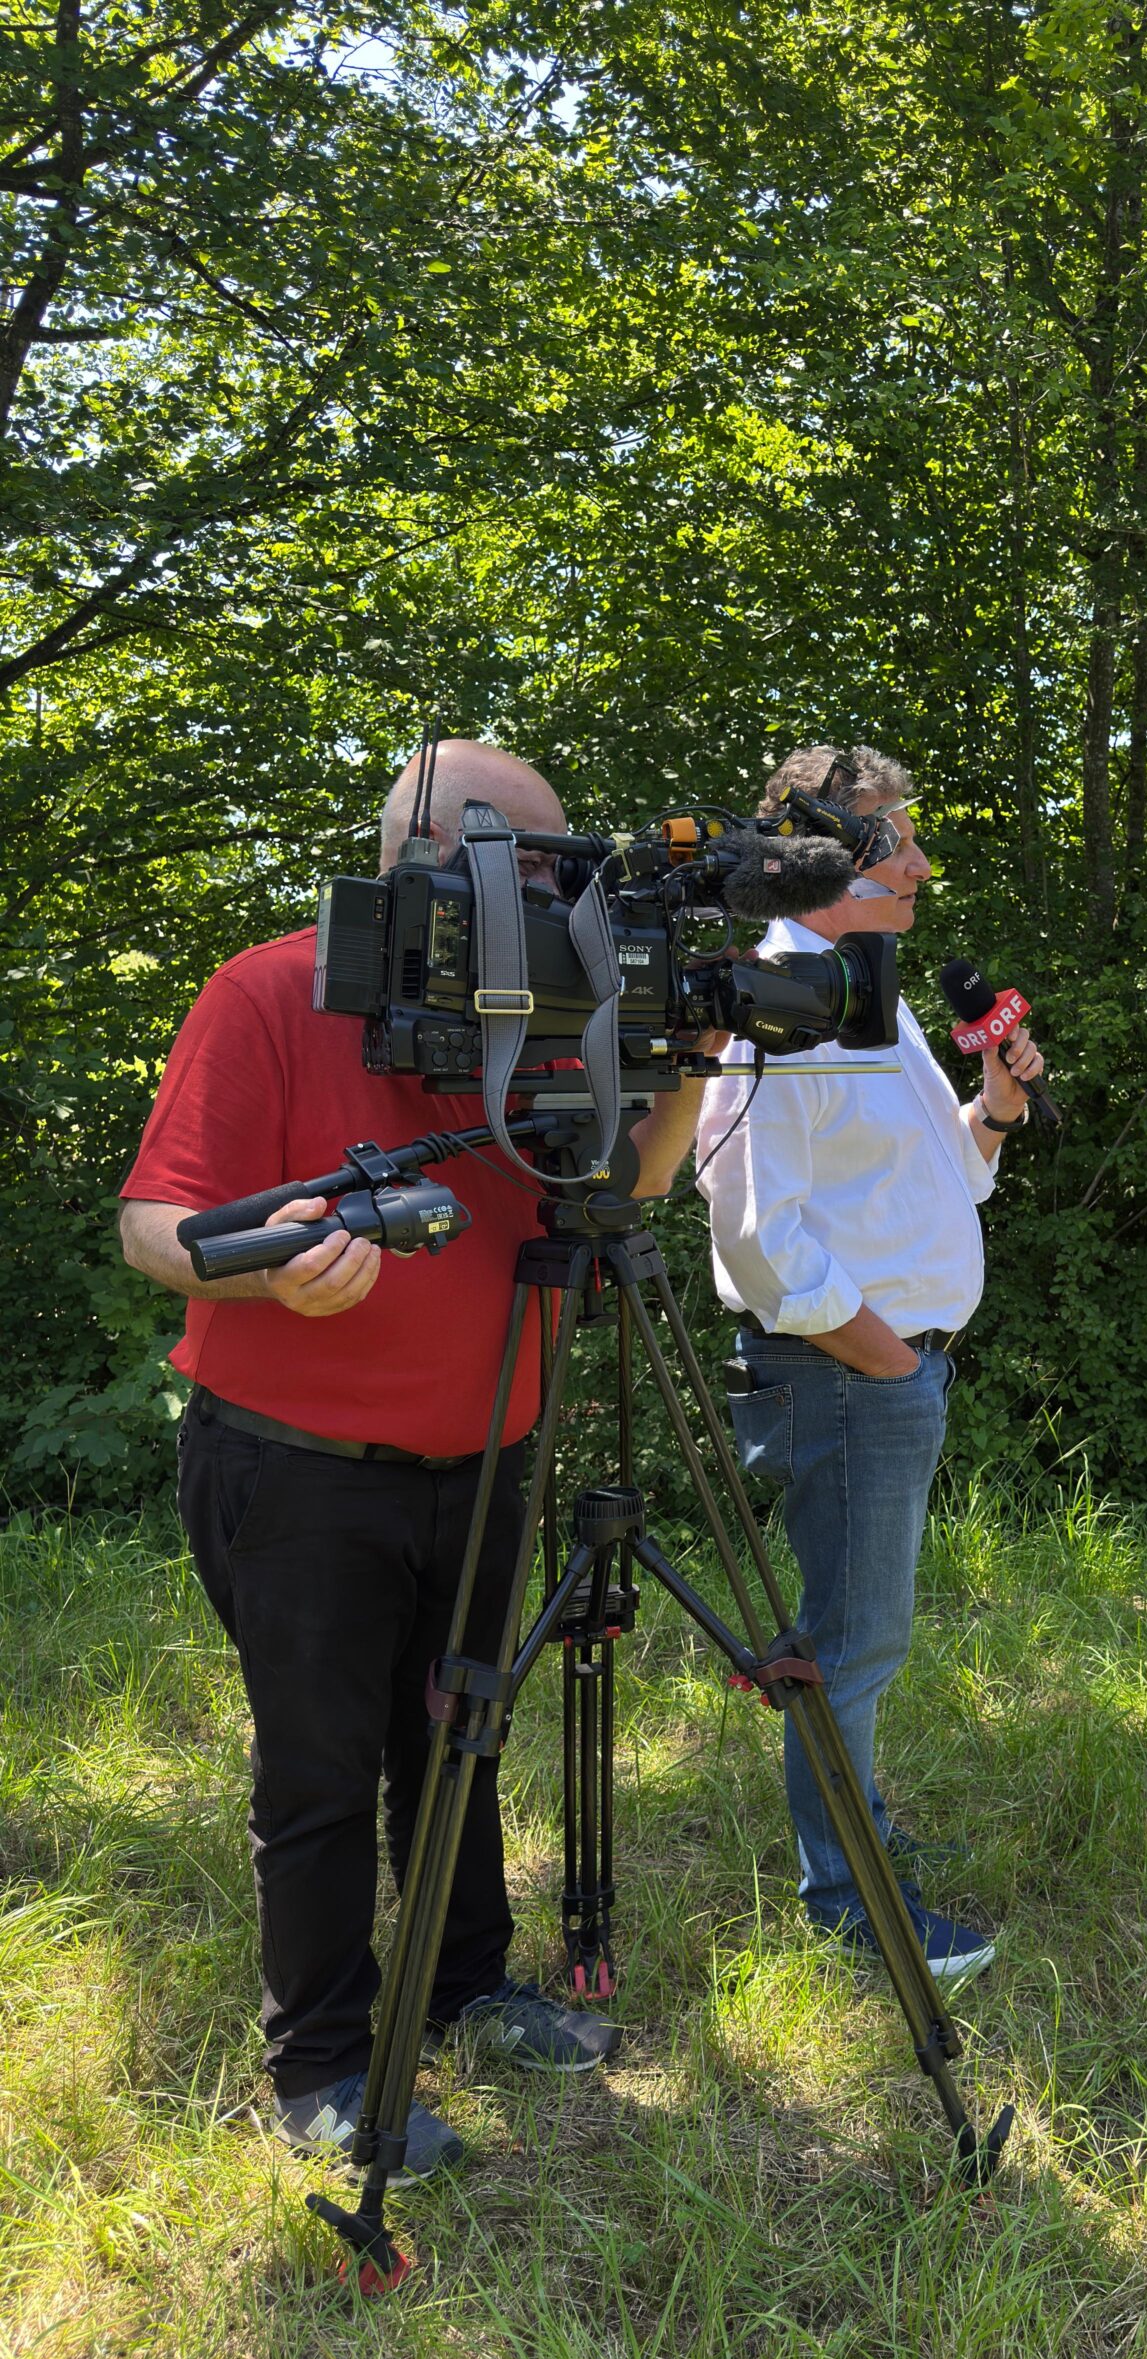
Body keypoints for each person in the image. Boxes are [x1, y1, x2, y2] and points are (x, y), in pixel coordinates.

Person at [119, 740, 713, 2178]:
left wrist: (678, 1072)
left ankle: (460, 1988)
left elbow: (616, 1189)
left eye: (571, 867)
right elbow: (155, 1226)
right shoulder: (271, 988)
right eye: (536, 863)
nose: (565, 891)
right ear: (432, 856)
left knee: (457, 1742)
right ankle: (320, 2065)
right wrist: (266, 1276)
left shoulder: (562, 1009)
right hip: (298, 1468)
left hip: (490, 1453)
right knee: (320, 1773)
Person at [696, 744, 1044, 1984]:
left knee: (862, 1637)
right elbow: (746, 1215)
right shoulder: (776, 996)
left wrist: (992, 1108)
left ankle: (865, 1833)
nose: (922, 861)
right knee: (851, 1646)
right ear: (824, 856)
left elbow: (926, 1181)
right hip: (847, 1376)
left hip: (884, 1372)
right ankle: (846, 1900)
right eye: (896, 838)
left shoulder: (865, 989)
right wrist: (882, 1356)